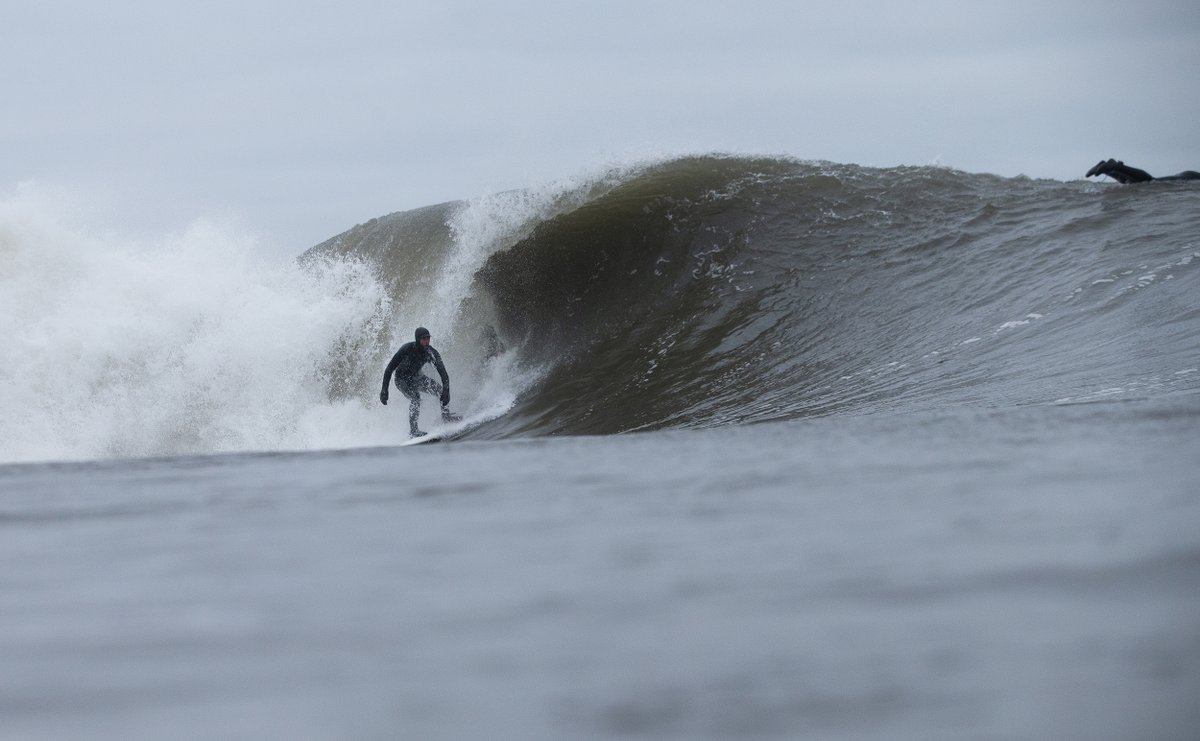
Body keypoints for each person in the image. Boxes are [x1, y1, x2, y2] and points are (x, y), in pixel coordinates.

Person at [380, 327, 460, 437]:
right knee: (416, 398)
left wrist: (447, 390)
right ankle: (414, 431)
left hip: (417, 378)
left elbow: (443, 374)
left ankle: (446, 418)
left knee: (440, 391)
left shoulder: (431, 353)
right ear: (418, 339)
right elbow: (389, 369)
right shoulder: (406, 349)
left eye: (428, 338)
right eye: (424, 339)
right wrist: (384, 390)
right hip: (401, 380)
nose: (427, 341)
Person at [1086, 158, 1200, 184]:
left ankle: (1109, 169)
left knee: (1133, 183)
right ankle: (1114, 166)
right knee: (1151, 182)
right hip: (1190, 178)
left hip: (1189, 176)